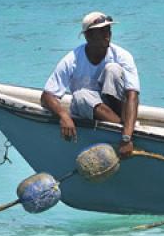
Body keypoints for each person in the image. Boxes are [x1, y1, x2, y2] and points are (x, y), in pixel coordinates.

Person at [40, 11, 140, 158]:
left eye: (108, 30)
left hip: (117, 109)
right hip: (87, 108)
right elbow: (47, 96)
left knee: (112, 69)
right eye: (101, 31)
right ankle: (121, 126)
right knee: (81, 94)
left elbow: (132, 95)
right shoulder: (72, 59)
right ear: (88, 36)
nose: (107, 34)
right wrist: (63, 116)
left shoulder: (122, 56)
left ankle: (124, 127)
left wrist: (126, 137)